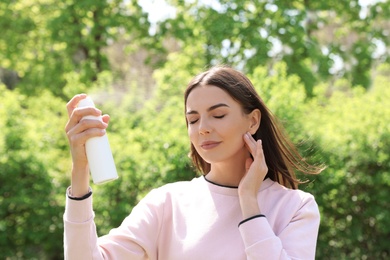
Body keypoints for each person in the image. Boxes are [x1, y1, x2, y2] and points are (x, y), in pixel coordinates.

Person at [64, 66, 324, 259]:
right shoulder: (167, 203)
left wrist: (249, 201)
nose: (203, 129)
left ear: (253, 120)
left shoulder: (296, 208)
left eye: (218, 115)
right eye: (193, 120)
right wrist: (80, 171)